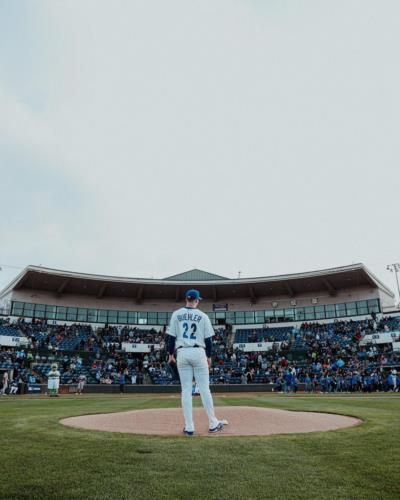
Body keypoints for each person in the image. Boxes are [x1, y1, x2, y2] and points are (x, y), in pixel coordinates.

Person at [167, 289, 228, 436]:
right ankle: (213, 424)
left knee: (186, 390)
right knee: (204, 389)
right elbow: (208, 340)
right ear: (197, 300)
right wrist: (208, 356)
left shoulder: (176, 314)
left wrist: (170, 355)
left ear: (186, 299)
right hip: (199, 351)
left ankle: (189, 427)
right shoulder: (203, 316)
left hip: (182, 352)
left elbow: (171, 338)